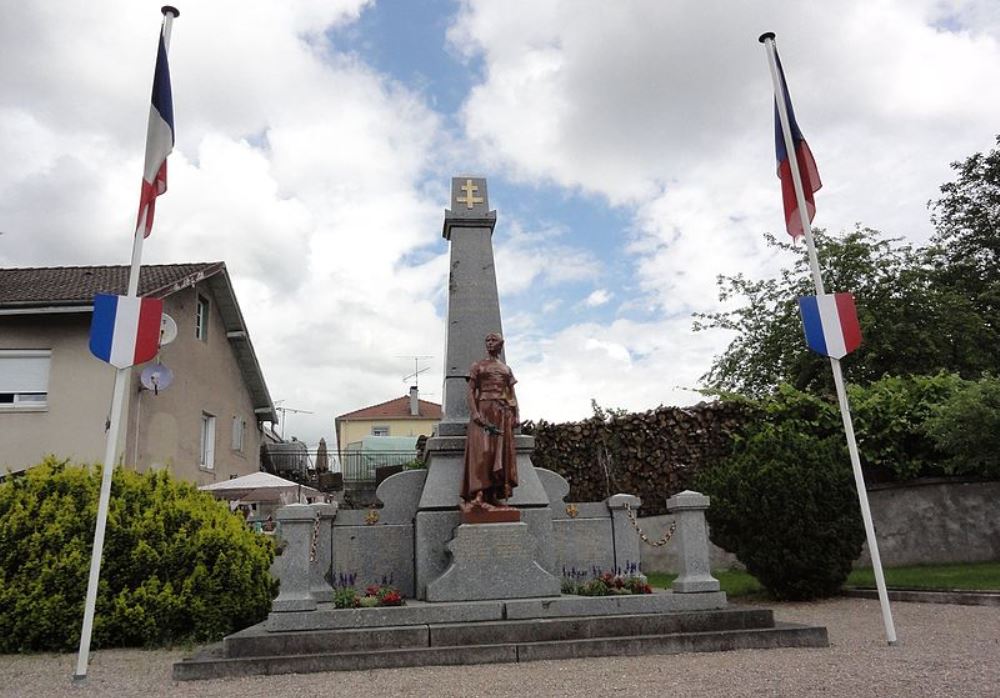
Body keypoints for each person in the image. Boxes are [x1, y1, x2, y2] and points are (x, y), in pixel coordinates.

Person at [461, 332, 519, 510]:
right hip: (484, 410)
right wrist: (475, 412)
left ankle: (494, 495)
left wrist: (516, 414)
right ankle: (478, 494)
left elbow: (511, 393)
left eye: (494, 340)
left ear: (501, 344)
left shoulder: (506, 369)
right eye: (487, 340)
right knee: (483, 452)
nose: (490, 343)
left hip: (502, 412)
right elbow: (471, 391)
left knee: (499, 453)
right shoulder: (478, 366)